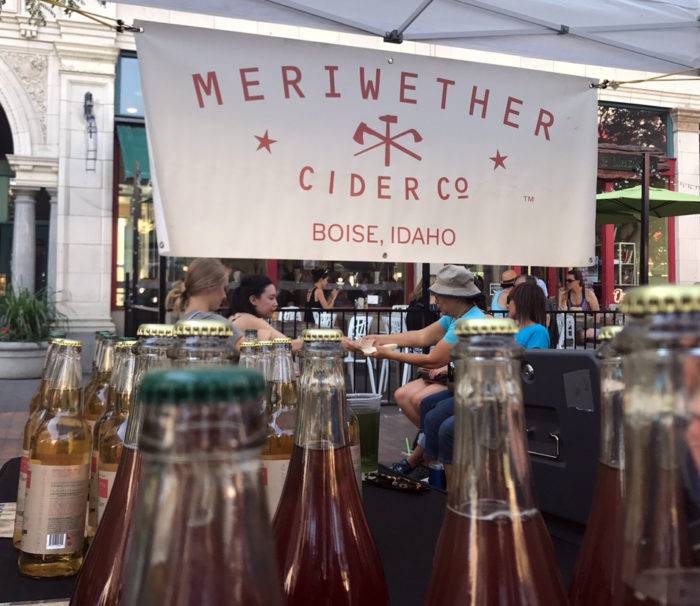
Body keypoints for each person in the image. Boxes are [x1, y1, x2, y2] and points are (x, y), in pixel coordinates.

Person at [356, 265, 486, 474]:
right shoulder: (458, 316)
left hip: (479, 393)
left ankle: (446, 472)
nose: (435, 302)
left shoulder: (468, 323)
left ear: (454, 297)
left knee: (438, 422)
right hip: (463, 386)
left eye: (439, 296)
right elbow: (421, 336)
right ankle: (436, 463)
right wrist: (380, 339)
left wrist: (388, 353)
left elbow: (433, 360)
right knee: (428, 410)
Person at [166, 258, 243, 344]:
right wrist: (257, 324)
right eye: (223, 288)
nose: (224, 295)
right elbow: (252, 350)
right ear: (210, 286)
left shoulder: (181, 323)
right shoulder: (216, 324)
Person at [229, 274, 302, 349]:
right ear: (253, 300)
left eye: (275, 298)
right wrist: (308, 341)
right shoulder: (250, 320)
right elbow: (289, 345)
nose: (276, 303)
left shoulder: (238, 317)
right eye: (271, 298)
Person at [508, 283, 550, 349]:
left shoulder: (538, 332)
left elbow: (535, 358)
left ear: (521, 303)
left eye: (510, 300)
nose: (507, 305)